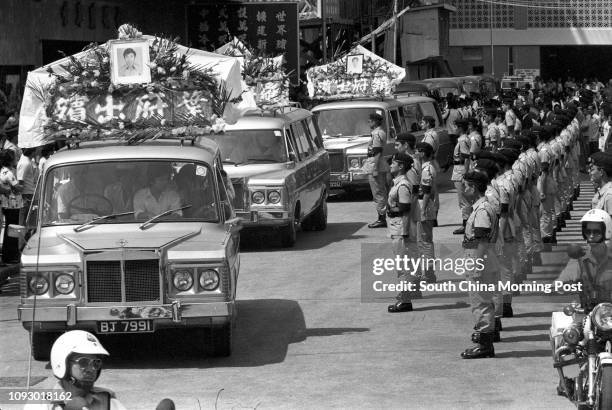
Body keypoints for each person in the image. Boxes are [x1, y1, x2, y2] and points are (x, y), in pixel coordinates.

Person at [24, 330, 127, 409]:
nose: (91, 369)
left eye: (96, 363)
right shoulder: (40, 403)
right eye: (83, 362)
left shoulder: (107, 401)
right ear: (62, 363)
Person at [460, 170, 499, 359]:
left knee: (481, 303)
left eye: (466, 185)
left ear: (474, 187)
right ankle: (485, 339)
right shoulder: (481, 207)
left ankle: (485, 346)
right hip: (481, 258)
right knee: (483, 301)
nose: (463, 188)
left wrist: (476, 266)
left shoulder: (482, 210)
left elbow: (482, 242)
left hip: (480, 259)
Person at [386, 153, 418, 313]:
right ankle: (405, 298)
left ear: (401, 166)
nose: (391, 165)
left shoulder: (403, 185)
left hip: (401, 229)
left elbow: (406, 209)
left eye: (394, 163)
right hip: (397, 228)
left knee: (404, 266)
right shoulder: (397, 183)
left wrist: (405, 232)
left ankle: (405, 300)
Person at [416, 142, 438, 284]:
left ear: (423, 153)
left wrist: (422, 211)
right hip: (425, 205)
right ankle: (428, 272)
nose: (416, 154)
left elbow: (427, 192)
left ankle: (429, 273)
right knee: (423, 240)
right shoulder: (425, 167)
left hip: (425, 205)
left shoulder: (427, 169)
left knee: (425, 241)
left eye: (418, 151)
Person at [365, 113, 390, 228]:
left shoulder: (377, 133)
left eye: (370, 121)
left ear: (374, 121)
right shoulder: (378, 132)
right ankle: (382, 216)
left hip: (377, 165)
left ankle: (381, 218)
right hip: (377, 164)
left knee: (378, 192)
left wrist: (374, 168)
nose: (369, 123)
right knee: (379, 192)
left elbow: (378, 152)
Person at [0, 150, 22, 264]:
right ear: (10, 160)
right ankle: (11, 255)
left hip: (9, 205)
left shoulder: (4, 171)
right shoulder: (8, 172)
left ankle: (8, 255)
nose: (16, 159)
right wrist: (23, 187)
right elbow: (17, 187)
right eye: (14, 157)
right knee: (13, 230)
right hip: (12, 205)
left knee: (10, 230)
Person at [452, 119, 472, 234]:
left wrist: (465, 174)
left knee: (463, 200)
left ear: (460, 128)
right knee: (464, 199)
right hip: (458, 169)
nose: (454, 129)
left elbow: (466, 157)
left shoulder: (463, 140)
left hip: (460, 170)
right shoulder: (463, 139)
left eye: (455, 127)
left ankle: (466, 225)